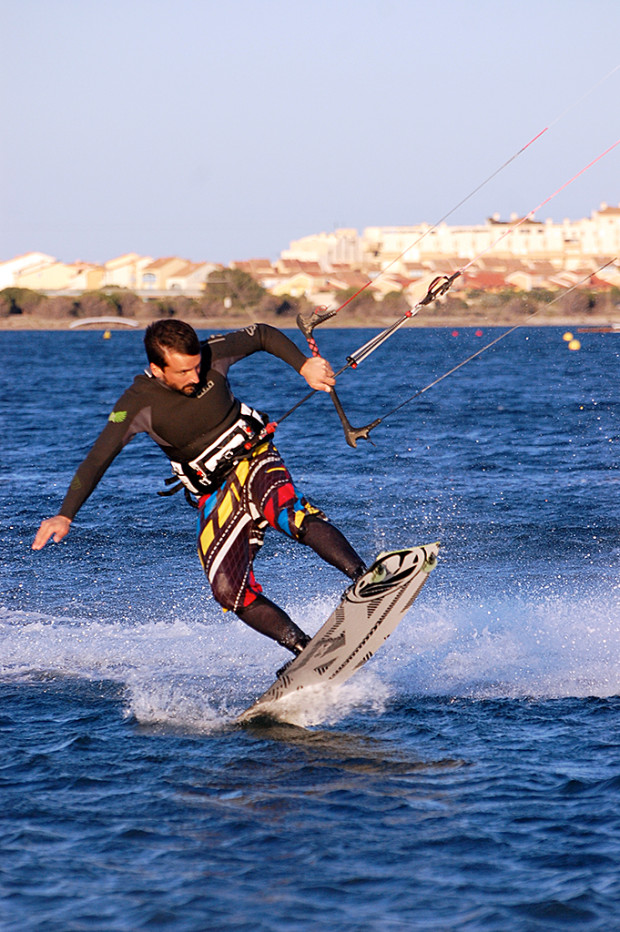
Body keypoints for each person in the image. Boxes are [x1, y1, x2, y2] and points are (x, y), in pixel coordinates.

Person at [33, 319, 366, 662]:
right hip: (215, 494)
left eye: (196, 367)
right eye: (183, 372)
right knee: (227, 590)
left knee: (285, 512)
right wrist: (65, 513)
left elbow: (262, 334)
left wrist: (304, 364)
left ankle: (366, 578)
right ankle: (305, 650)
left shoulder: (211, 354)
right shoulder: (134, 405)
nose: (195, 377)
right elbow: (96, 460)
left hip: (254, 460)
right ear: (156, 369)